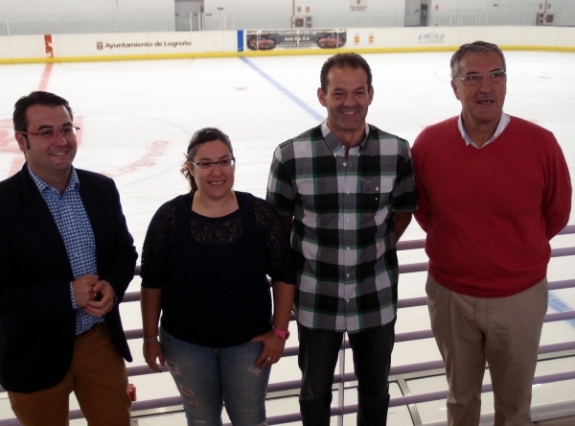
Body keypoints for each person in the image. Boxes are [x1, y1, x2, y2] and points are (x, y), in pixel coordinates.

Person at [412, 41, 572, 426]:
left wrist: (512, 256)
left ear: (505, 82)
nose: (486, 87)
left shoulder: (541, 143)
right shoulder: (429, 145)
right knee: (460, 401)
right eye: (473, 77)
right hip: (452, 297)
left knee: (515, 407)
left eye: (496, 75)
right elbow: (424, 210)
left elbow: (556, 213)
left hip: (519, 298)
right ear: (455, 87)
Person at [266, 52, 416, 426]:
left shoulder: (396, 151)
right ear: (322, 95)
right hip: (317, 299)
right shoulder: (290, 155)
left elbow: (403, 213)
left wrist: (371, 251)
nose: (349, 102)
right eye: (339, 93)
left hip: (375, 297)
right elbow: (277, 226)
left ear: (370, 94)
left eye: (358, 92)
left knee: (376, 392)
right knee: (314, 393)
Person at [140, 127, 296, 426]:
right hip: (185, 346)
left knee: (250, 419)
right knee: (201, 420)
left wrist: (279, 332)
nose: (217, 172)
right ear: (190, 167)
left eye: (225, 161)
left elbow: (284, 275)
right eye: (206, 163)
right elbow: (152, 281)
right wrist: (149, 337)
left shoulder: (260, 215)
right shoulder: (169, 218)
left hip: (248, 345)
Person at [0, 91, 138, 425]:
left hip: (99, 342)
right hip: (34, 353)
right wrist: (66, 295)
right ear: (21, 139)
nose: (61, 140)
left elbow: (125, 251)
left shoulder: (101, 189)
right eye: (46, 132)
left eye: (66, 128)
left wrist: (112, 286)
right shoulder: (3, 204)